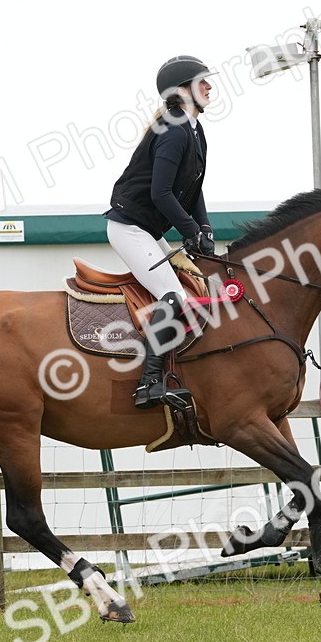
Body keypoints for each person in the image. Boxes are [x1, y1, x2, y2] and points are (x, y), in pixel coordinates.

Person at [104, 55, 217, 409]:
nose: (210, 87)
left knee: (192, 285)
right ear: (183, 90)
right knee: (174, 295)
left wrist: (205, 228)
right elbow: (160, 193)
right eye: (203, 82)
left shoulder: (195, 130)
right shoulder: (172, 129)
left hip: (148, 228)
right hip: (129, 228)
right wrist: (189, 231)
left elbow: (193, 191)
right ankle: (149, 383)